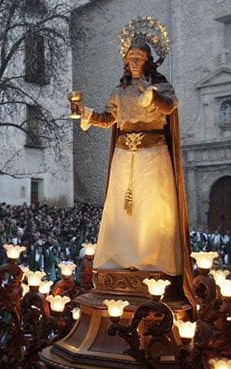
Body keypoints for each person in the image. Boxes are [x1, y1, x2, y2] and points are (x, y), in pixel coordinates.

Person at [76, 20, 195, 303]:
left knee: (152, 209)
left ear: (148, 61)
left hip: (153, 154)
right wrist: (86, 113)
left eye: (138, 58)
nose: (133, 63)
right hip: (123, 154)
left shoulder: (161, 86)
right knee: (121, 209)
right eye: (130, 58)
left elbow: (169, 106)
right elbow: (109, 119)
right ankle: (120, 258)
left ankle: (153, 261)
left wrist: (150, 95)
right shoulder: (120, 91)